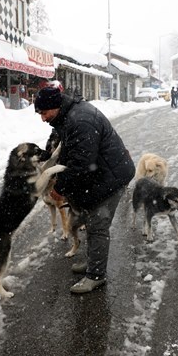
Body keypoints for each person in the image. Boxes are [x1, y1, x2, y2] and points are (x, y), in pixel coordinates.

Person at [34, 82, 135, 294]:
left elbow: (80, 163)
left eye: (43, 112)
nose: (42, 118)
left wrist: (60, 188)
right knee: (89, 219)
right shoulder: (68, 116)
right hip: (101, 171)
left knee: (98, 223)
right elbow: (69, 153)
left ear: (55, 106)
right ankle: (92, 263)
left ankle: (96, 275)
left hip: (112, 175)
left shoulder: (80, 120)